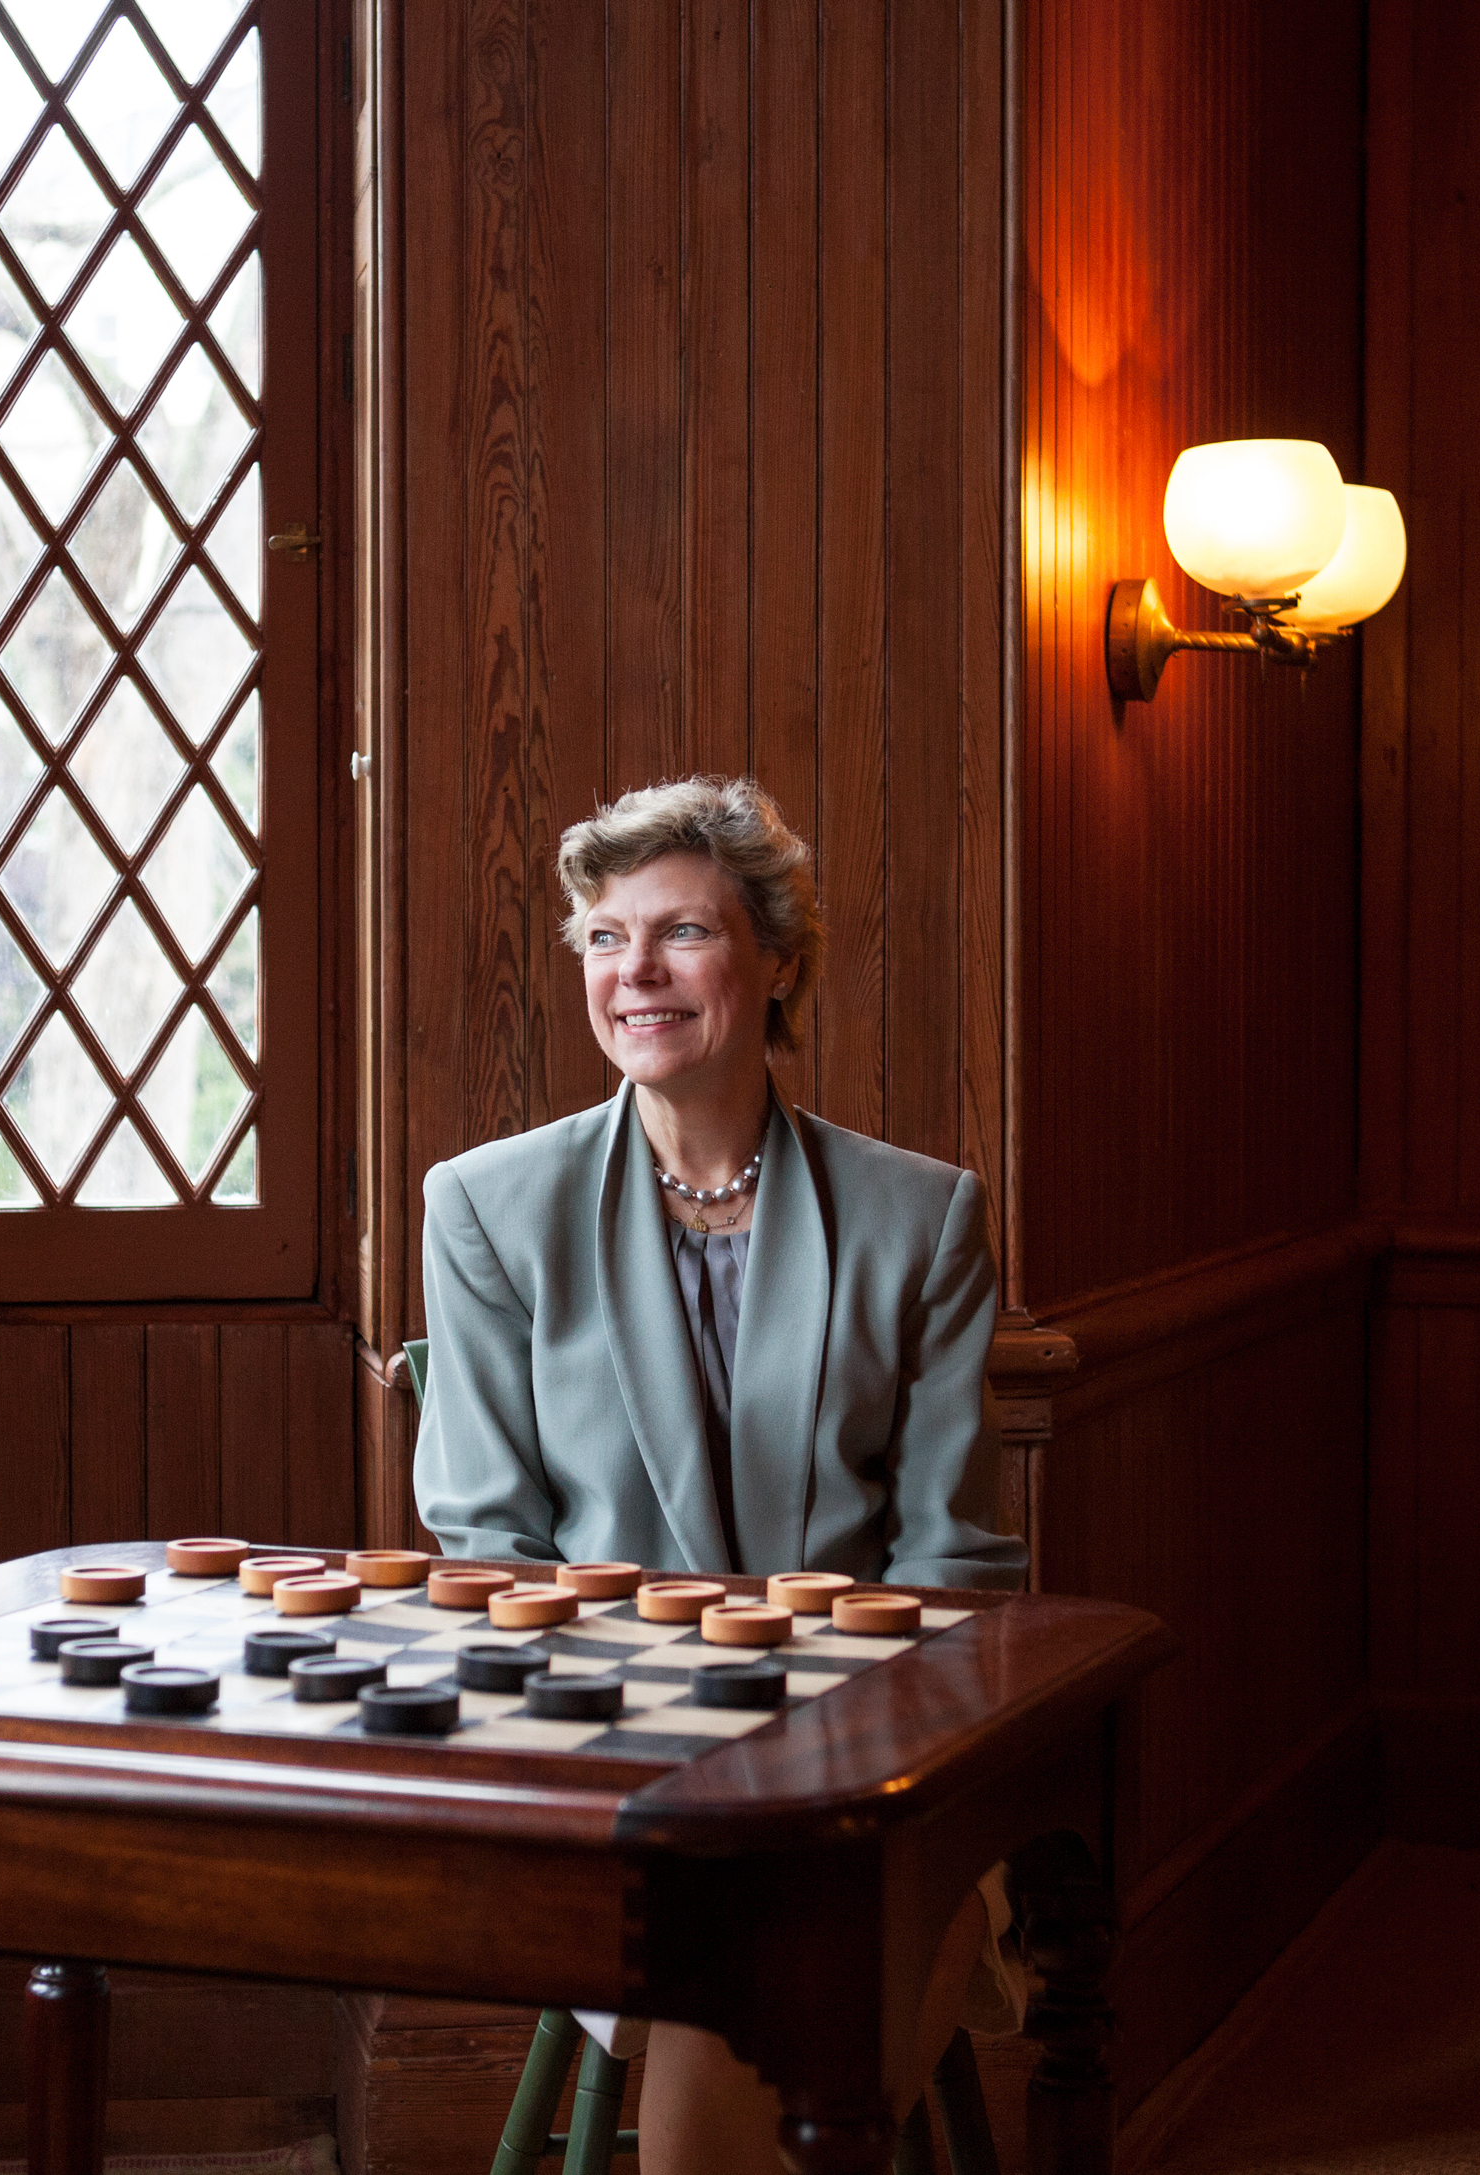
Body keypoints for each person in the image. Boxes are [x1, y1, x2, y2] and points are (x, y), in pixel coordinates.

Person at [413, 775, 1025, 2173]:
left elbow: (953, 1565)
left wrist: (845, 1773)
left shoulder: (920, 1218)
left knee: (782, 1928)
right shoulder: (490, 1207)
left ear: (778, 961)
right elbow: (493, 1558)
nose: (636, 973)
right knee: (743, 1926)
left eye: (681, 932)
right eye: (605, 937)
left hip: (880, 1763)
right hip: (606, 1763)